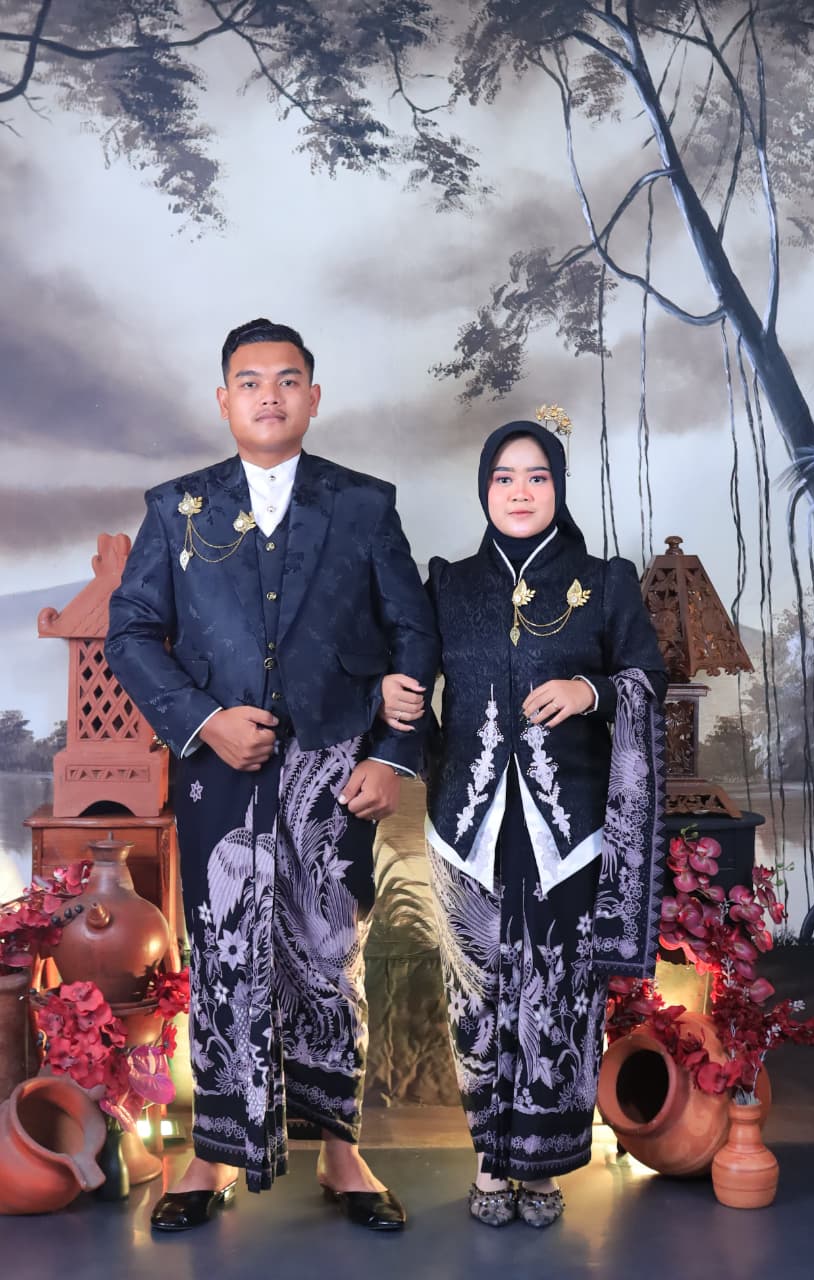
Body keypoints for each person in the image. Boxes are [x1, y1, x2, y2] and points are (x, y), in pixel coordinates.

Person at [106, 318, 438, 1232]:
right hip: (218, 771)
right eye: (249, 381)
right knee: (224, 956)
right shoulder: (176, 507)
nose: (268, 395)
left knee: (332, 958)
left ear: (313, 397)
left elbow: (413, 634)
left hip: (335, 772)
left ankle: (341, 1150)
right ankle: (214, 1152)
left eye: (287, 380)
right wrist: (203, 721)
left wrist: (391, 754)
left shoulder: (364, 504)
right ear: (224, 401)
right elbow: (130, 632)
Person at [380, 420, 667, 1228]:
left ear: (558, 488)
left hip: (567, 831)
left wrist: (590, 692)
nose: (518, 491)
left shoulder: (603, 582)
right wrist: (391, 696)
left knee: (558, 993)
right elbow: (406, 680)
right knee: (477, 995)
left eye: (536, 476)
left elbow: (647, 676)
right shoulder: (448, 585)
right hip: (465, 829)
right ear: (484, 488)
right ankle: (488, 1158)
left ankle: (541, 1170)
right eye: (503, 477)